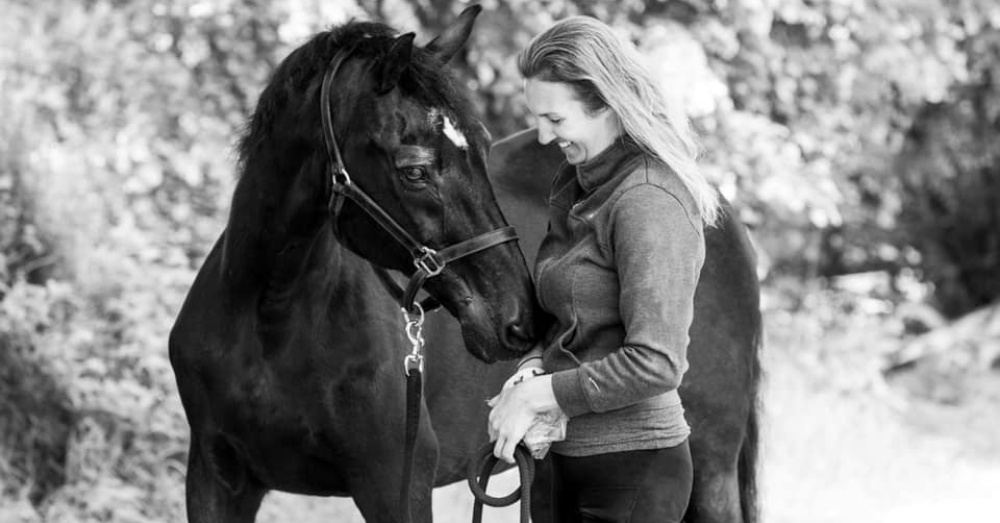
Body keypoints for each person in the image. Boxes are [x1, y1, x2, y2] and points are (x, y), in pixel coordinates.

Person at [486, 15, 721, 523]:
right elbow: (563, 318)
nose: (544, 138)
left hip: (633, 472)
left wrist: (539, 395)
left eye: (556, 120)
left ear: (606, 103)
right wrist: (531, 366)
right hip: (562, 462)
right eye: (537, 119)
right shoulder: (578, 188)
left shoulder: (647, 198)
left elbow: (656, 361)